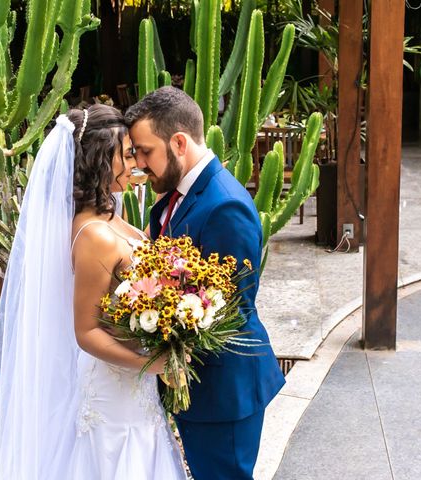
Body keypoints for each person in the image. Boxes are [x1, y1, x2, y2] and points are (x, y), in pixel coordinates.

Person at [0, 104, 186, 479]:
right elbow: (86, 332)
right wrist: (153, 364)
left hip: (133, 384)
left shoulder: (109, 214)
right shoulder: (94, 236)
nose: (134, 160)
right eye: (125, 154)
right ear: (101, 161)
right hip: (115, 384)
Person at [125, 86, 286, 480]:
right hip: (197, 388)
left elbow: (231, 308)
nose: (141, 163)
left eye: (146, 151)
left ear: (179, 142)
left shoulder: (224, 205)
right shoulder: (176, 194)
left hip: (223, 391)